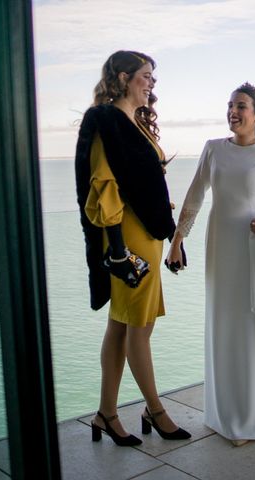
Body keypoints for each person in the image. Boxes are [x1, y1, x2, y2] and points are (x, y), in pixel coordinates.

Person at [166, 82, 255, 447]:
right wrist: (177, 242)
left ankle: (250, 418)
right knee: (223, 323)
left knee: (249, 324)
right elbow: (195, 195)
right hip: (221, 246)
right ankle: (223, 414)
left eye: (241, 106)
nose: (233, 111)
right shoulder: (213, 150)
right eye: (230, 105)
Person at [75, 50, 190, 446]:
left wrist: (171, 236)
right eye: (145, 76)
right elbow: (103, 185)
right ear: (123, 78)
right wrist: (120, 252)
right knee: (137, 328)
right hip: (127, 240)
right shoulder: (106, 121)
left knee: (124, 325)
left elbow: (149, 188)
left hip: (147, 237)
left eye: (153, 78)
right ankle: (155, 411)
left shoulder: (134, 122)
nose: (151, 83)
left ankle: (106, 413)